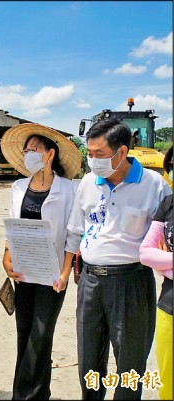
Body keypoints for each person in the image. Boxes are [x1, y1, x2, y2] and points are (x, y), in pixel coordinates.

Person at [65, 119, 171, 400]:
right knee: (89, 360)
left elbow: (167, 236)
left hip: (131, 284)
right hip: (89, 282)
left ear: (122, 152)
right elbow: (77, 229)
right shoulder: (88, 183)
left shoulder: (154, 185)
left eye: (99, 154)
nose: (92, 160)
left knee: (130, 364)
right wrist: (66, 272)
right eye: (89, 153)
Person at [0, 123, 81, 399]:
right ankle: (39, 393)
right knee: (25, 334)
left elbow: (73, 234)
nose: (29, 154)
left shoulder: (69, 189)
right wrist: (6, 257)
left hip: (52, 274)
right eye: (26, 150)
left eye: (35, 149)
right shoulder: (19, 187)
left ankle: (22, 396)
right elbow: (12, 227)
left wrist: (66, 271)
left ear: (50, 154)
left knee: (41, 336)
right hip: (24, 271)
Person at [139, 148, 173, 401]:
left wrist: (165, 263)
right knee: (169, 382)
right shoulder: (168, 204)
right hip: (169, 306)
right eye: (171, 163)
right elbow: (146, 254)